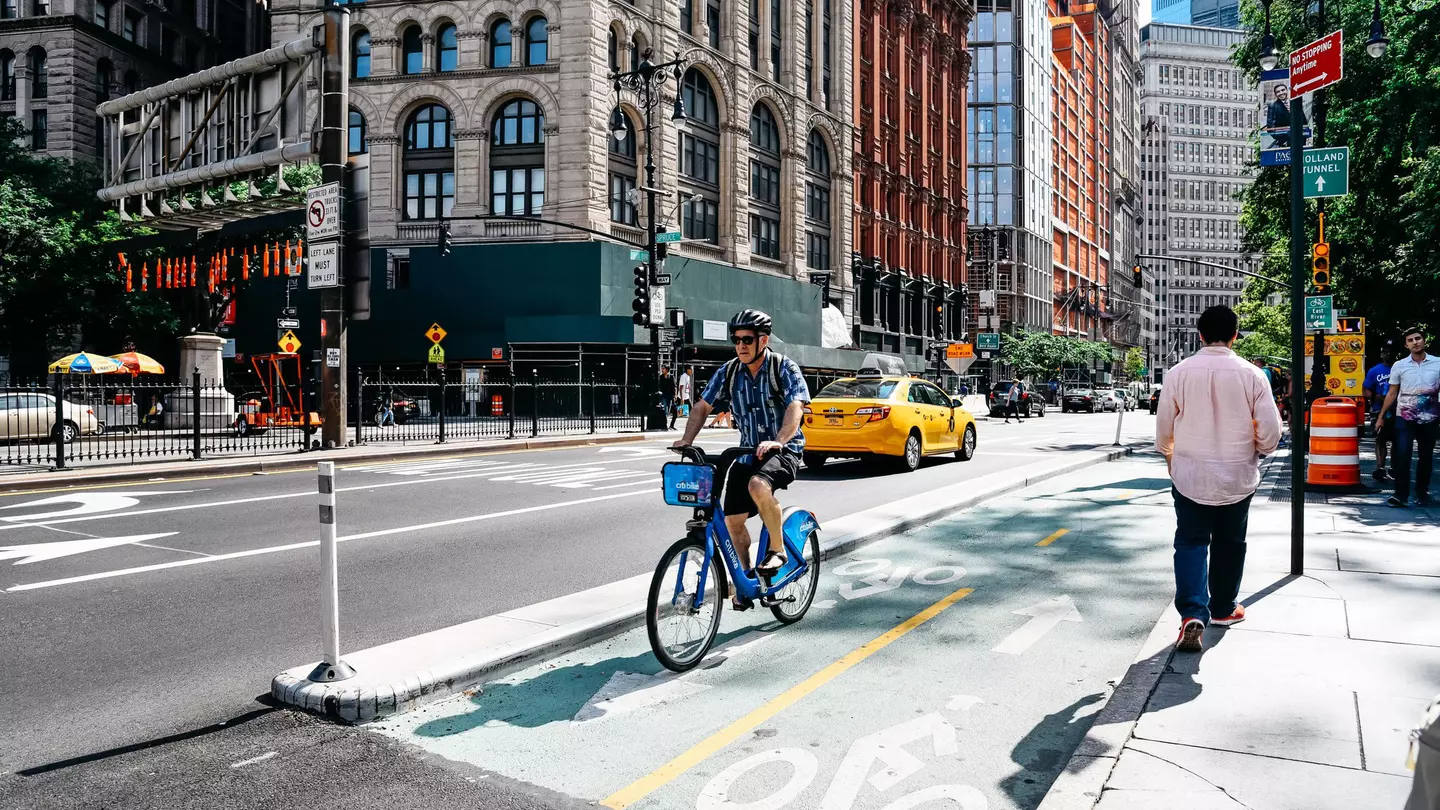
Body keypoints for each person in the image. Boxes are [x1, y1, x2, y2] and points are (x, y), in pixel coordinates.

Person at [1156, 306, 1282, 653]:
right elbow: (1271, 432)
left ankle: (1193, 613)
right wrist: (1259, 449)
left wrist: (1170, 456)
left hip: (1190, 473)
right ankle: (1224, 608)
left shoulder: (1178, 373)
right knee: (1230, 542)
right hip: (1237, 474)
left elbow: (1164, 428)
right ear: (1235, 335)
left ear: (1199, 335)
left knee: (1191, 542)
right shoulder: (1253, 375)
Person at [672, 309, 811, 609]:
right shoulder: (730, 372)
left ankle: (778, 549)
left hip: (784, 450)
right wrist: (686, 441)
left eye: (747, 340)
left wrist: (779, 440)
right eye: (735, 340)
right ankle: (747, 580)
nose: (741, 346)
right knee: (732, 521)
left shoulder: (783, 368)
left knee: (759, 486)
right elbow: (701, 407)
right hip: (747, 452)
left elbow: (795, 408)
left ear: (763, 340)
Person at [1377, 327, 1439, 508]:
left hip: (1430, 416)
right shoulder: (1399, 366)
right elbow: (1392, 393)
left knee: (1426, 457)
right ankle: (1400, 495)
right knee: (1402, 455)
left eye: (1418, 338)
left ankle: (1422, 493)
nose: (1415, 342)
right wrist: (1381, 416)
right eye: (1411, 340)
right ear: (1406, 345)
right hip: (1405, 416)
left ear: (1424, 340)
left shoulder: (1437, 363)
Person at [1364, 347, 1396, 481]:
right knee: (1380, 440)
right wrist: (1374, 398)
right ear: (1382, 354)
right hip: (1379, 410)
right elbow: (1365, 389)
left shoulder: (1400, 368)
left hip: (1399, 410)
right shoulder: (1374, 371)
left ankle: (1395, 467)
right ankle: (1380, 468)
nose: (1388, 354)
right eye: (1386, 352)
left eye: (1391, 352)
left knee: (1398, 440)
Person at [672, 365, 693, 430]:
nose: (692, 371)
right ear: (687, 370)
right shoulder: (683, 376)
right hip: (682, 397)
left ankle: (690, 425)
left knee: (692, 410)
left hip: (686, 396)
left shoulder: (688, 377)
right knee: (677, 412)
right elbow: (680, 388)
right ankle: (671, 425)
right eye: (691, 370)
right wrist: (682, 399)